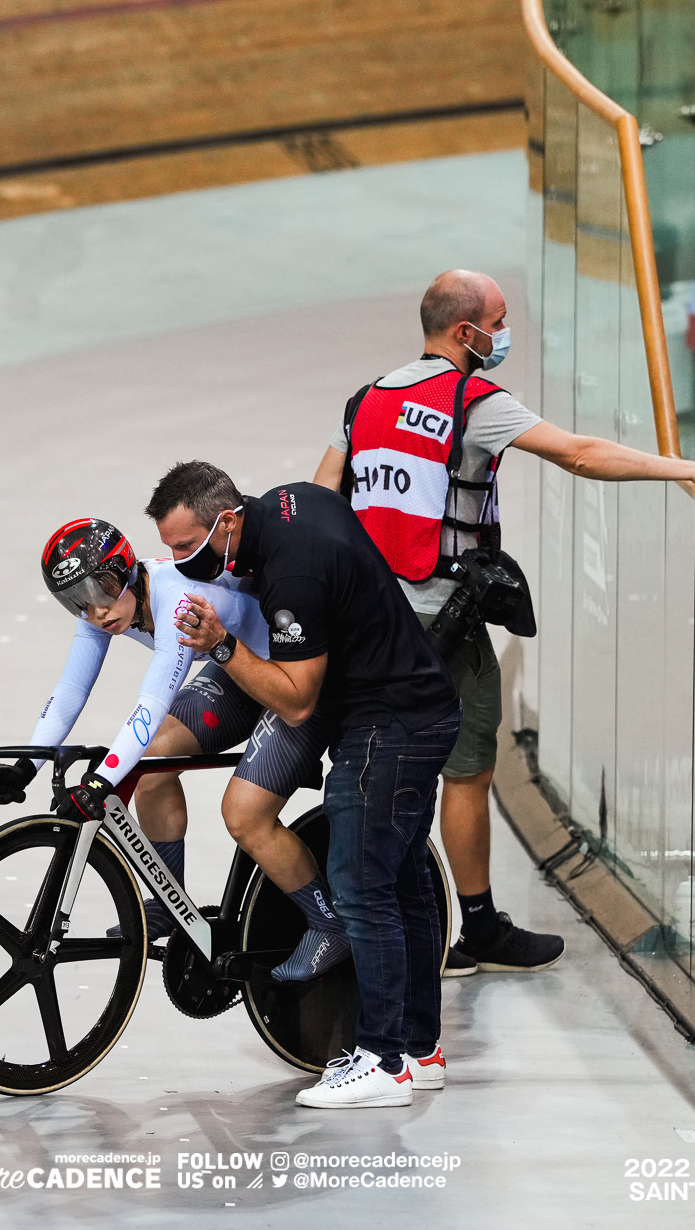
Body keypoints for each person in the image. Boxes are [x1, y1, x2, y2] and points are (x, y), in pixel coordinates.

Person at [312, 269, 695, 975]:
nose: (505, 334)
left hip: (368, 626)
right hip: (441, 625)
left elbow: (324, 493)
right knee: (467, 771)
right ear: (464, 332)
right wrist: (687, 469)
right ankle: (474, 926)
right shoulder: (473, 399)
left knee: (384, 767)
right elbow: (581, 453)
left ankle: (394, 913)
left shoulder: (366, 401)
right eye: (499, 320)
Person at [135, 461, 463, 1109]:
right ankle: (419, 1050)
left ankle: (383, 1060)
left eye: (185, 545)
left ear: (227, 522)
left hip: (387, 723)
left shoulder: (293, 572)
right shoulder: (287, 505)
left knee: (363, 888)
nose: (176, 559)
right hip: (411, 706)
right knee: (402, 885)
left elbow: (295, 699)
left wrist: (224, 645)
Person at [0, 518, 348, 981]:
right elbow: (70, 690)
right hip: (238, 666)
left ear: (126, 568)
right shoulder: (105, 611)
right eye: (78, 601)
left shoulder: (176, 602)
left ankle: (329, 924)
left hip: (294, 679)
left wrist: (99, 782)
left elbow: (151, 704)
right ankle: (169, 904)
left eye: (102, 588)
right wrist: (26, 766)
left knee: (244, 815)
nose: (96, 611)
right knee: (150, 762)